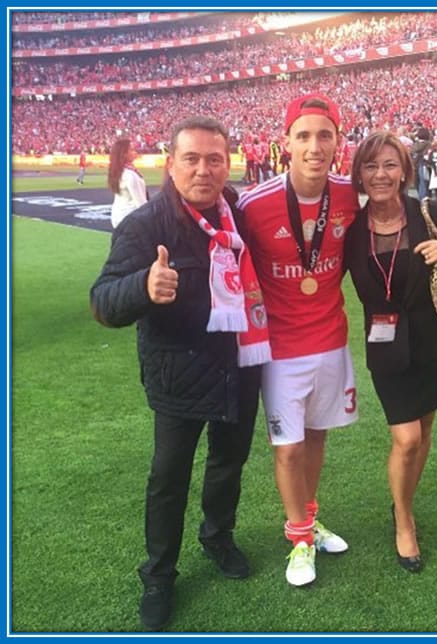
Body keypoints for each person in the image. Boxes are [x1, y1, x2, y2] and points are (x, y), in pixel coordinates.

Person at [89, 116, 270, 631]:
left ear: (228, 163)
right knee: (169, 479)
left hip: (239, 365)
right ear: (170, 164)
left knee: (228, 463)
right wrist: (144, 287)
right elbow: (103, 300)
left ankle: (217, 537)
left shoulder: (237, 212)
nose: (204, 169)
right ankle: (160, 574)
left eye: (215, 159)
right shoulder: (145, 226)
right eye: (191, 158)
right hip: (179, 374)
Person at [344, 130, 437, 572]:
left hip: (435, 342)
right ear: (360, 175)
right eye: (371, 166)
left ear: (405, 170)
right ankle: (403, 519)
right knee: (405, 438)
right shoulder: (350, 232)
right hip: (385, 347)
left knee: (423, 431)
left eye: (390, 165)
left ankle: (402, 500)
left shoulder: (429, 211)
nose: (381, 174)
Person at [237, 94, 359, 587]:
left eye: (324, 135)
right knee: (286, 449)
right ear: (285, 143)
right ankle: (300, 538)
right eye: (303, 136)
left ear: (337, 142)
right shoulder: (255, 203)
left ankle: (309, 519)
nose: (314, 146)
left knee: (314, 439)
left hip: (331, 340)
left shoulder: (351, 195)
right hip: (281, 349)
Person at [108, 138, 149, 228]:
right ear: (124, 154)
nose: (135, 152)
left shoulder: (118, 172)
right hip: (129, 219)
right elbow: (141, 204)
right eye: (131, 150)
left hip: (118, 216)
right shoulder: (130, 175)